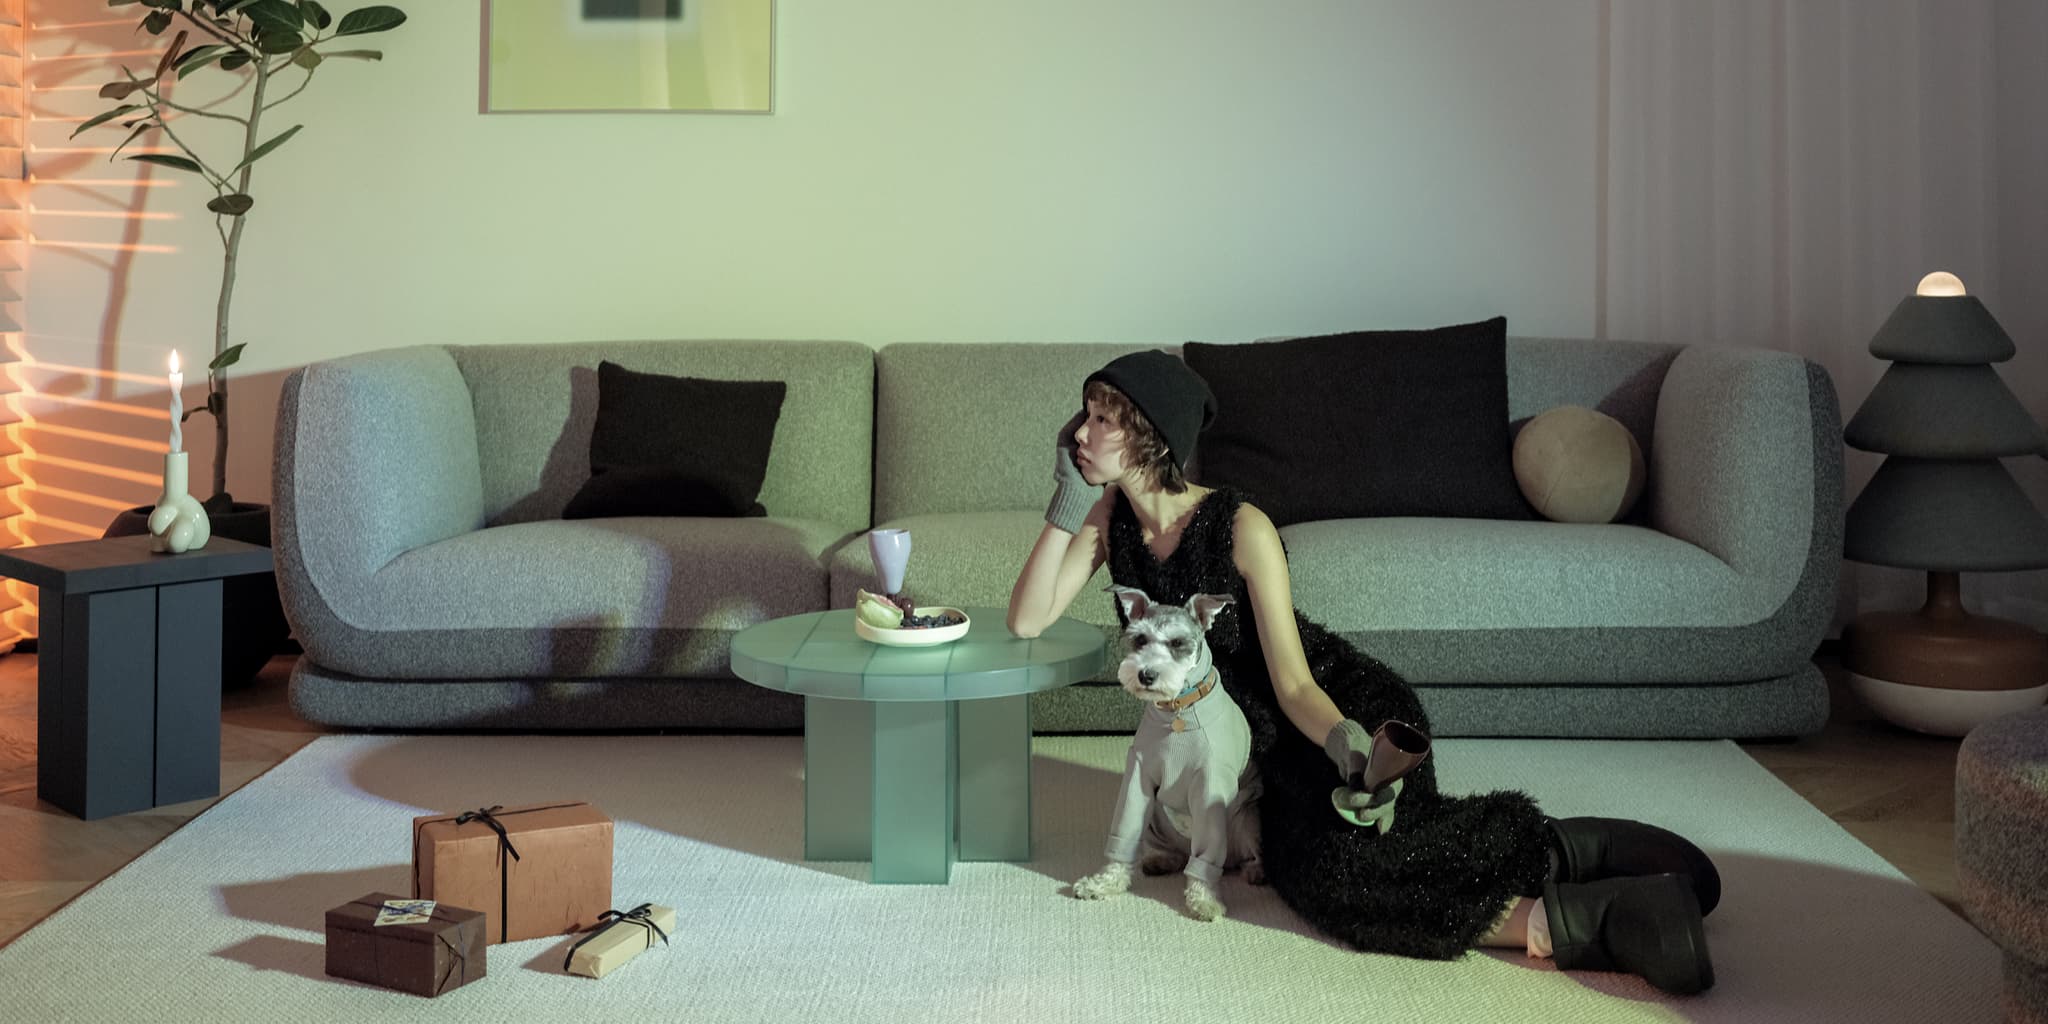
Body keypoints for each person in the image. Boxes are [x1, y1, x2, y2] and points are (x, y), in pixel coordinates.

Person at [1007, 350, 1721, 995]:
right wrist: (1067, 500)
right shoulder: (1109, 521)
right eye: (1087, 414)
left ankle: (1577, 887)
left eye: (1103, 419)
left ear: (1150, 436)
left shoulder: (1239, 525)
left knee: (1345, 871)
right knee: (1329, 869)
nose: (1080, 432)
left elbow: (1292, 684)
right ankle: (1583, 876)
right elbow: (1027, 619)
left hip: (1335, 713)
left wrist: (1347, 744)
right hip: (1250, 745)